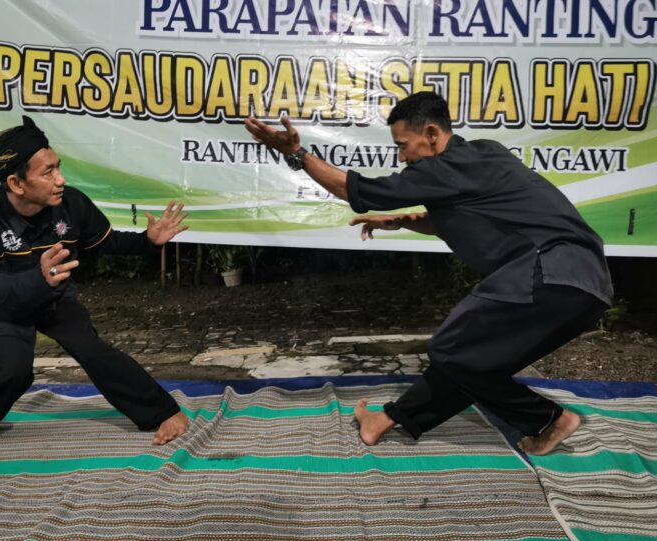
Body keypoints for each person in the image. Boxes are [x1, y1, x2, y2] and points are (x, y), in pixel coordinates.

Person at [245, 92, 612, 456]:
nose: (402, 157)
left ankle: (549, 419)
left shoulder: (448, 167)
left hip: (547, 270)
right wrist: (400, 221)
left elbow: (355, 190)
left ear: (433, 134)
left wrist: (295, 154)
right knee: (472, 361)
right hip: (586, 287)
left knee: (449, 348)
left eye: (404, 145)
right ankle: (387, 420)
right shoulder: (484, 154)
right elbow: (446, 218)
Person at [0, 115, 189, 453]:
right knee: (13, 372)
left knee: (92, 349)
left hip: (54, 299)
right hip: (3, 308)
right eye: (48, 172)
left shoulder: (70, 203)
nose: (60, 179)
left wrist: (149, 241)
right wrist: (36, 277)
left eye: (58, 167)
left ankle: (162, 411)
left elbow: (104, 244)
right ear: (16, 183)